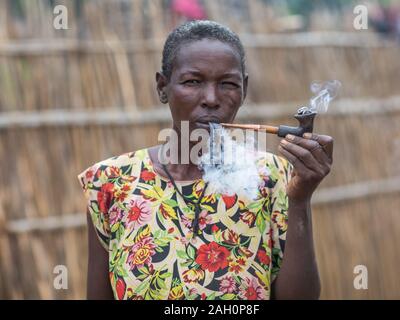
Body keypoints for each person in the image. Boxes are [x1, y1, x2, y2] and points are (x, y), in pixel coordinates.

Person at [78, 20, 333, 300]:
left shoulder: (272, 177)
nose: (211, 99)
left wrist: (299, 199)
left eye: (227, 84)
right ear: (163, 87)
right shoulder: (111, 182)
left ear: (244, 90)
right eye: (193, 82)